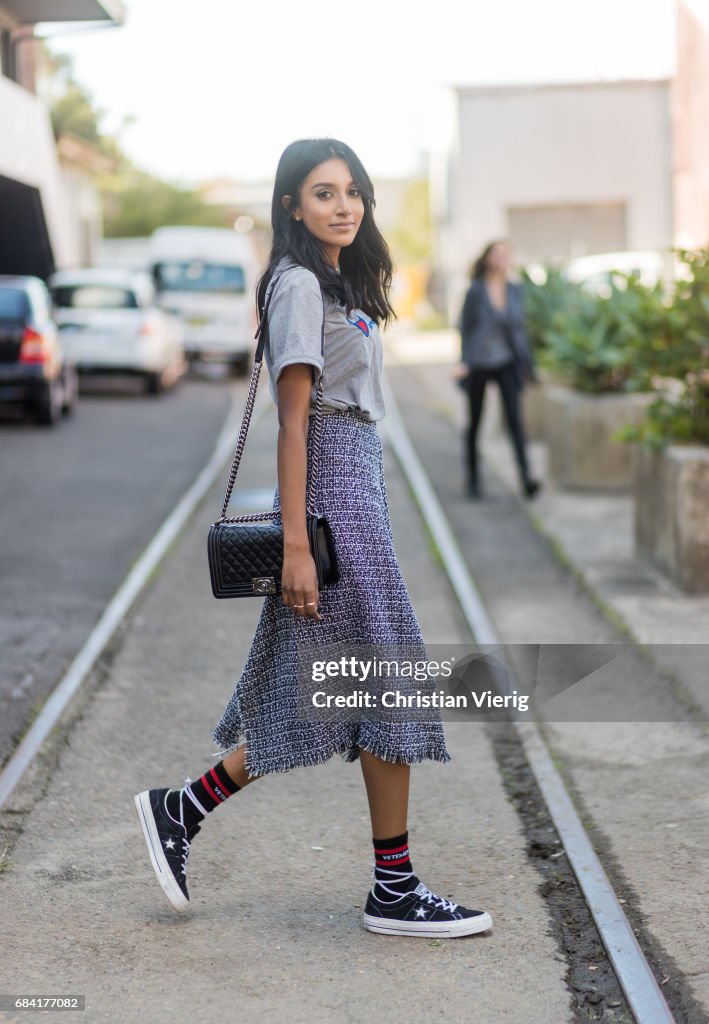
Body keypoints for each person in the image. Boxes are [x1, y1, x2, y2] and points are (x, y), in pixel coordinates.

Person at [134, 139, 492, 939]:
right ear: (291, 206)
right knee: (379, 686)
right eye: (323, 192)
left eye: (353, 190)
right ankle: (391, 890)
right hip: (330, 500)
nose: (344, 204)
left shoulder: (339, 282)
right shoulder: (297, 284)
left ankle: (182, 810)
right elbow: (291, 426)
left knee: (333, 694)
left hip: (357, 495)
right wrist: (296, 544)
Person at [457, 239, 540, 500]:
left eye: (506, 254)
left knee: (516, 421)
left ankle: (526, 478)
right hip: (479, 363)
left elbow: (520, 330)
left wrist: (528, 364)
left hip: (507, 362)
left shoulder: (515, 289)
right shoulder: (476, 290)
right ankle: (473, 478)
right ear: (487, 258)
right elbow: (465, 327)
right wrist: (463, 361)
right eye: (497, 254)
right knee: (475, 422)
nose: (501, 259)